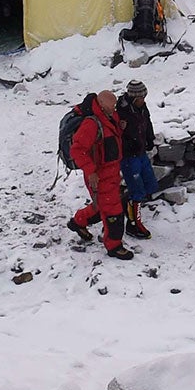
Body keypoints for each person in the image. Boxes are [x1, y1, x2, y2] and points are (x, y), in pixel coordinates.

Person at [67, 89, 133, 260]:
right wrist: (90, 171)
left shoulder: (110, 116)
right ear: (101, 104)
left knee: (101, 206)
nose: (115, 107)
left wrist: (121, 127)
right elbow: (77, 150)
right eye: (112, 104)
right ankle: (114, 246)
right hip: (99, 176)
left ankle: (77, 222)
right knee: (113, 211)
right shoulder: (91, 124)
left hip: (111, 173)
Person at [117, 80, 158, 239]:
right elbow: (117, 135)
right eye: (142, 96)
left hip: (140, 153)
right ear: (134, 97)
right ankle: (133, 225)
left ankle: (128, 208)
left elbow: (147, 122)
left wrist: (150, 139)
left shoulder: (141, 107)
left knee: (150, 184)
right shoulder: (121, 110)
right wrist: (129, 146)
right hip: (128, 157)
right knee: (137, 190)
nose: (144, 99)